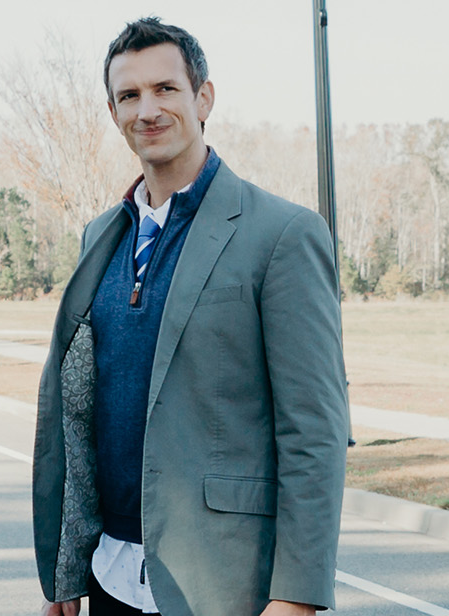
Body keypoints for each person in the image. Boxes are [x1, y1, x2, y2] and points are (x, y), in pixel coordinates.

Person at [31, 17, 349, 616]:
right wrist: (69, 567)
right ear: (113, 111)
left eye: (165, 89)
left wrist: (296, 598)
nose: (147, 110)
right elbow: (81, 413)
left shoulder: (281, 234)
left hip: (224, 585)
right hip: (112, 578)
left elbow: (315, 432)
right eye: (129, 96)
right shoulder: (101, 235)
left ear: (203, 97)